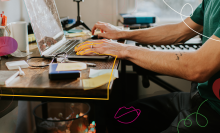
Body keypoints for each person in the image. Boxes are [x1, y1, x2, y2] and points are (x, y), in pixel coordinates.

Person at [75, 0, 220, 132]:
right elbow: (179, 31)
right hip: (199, 97)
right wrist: (122, 33)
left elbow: (198, 67)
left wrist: (123, 50)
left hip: (214, 112)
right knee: (120, 118)